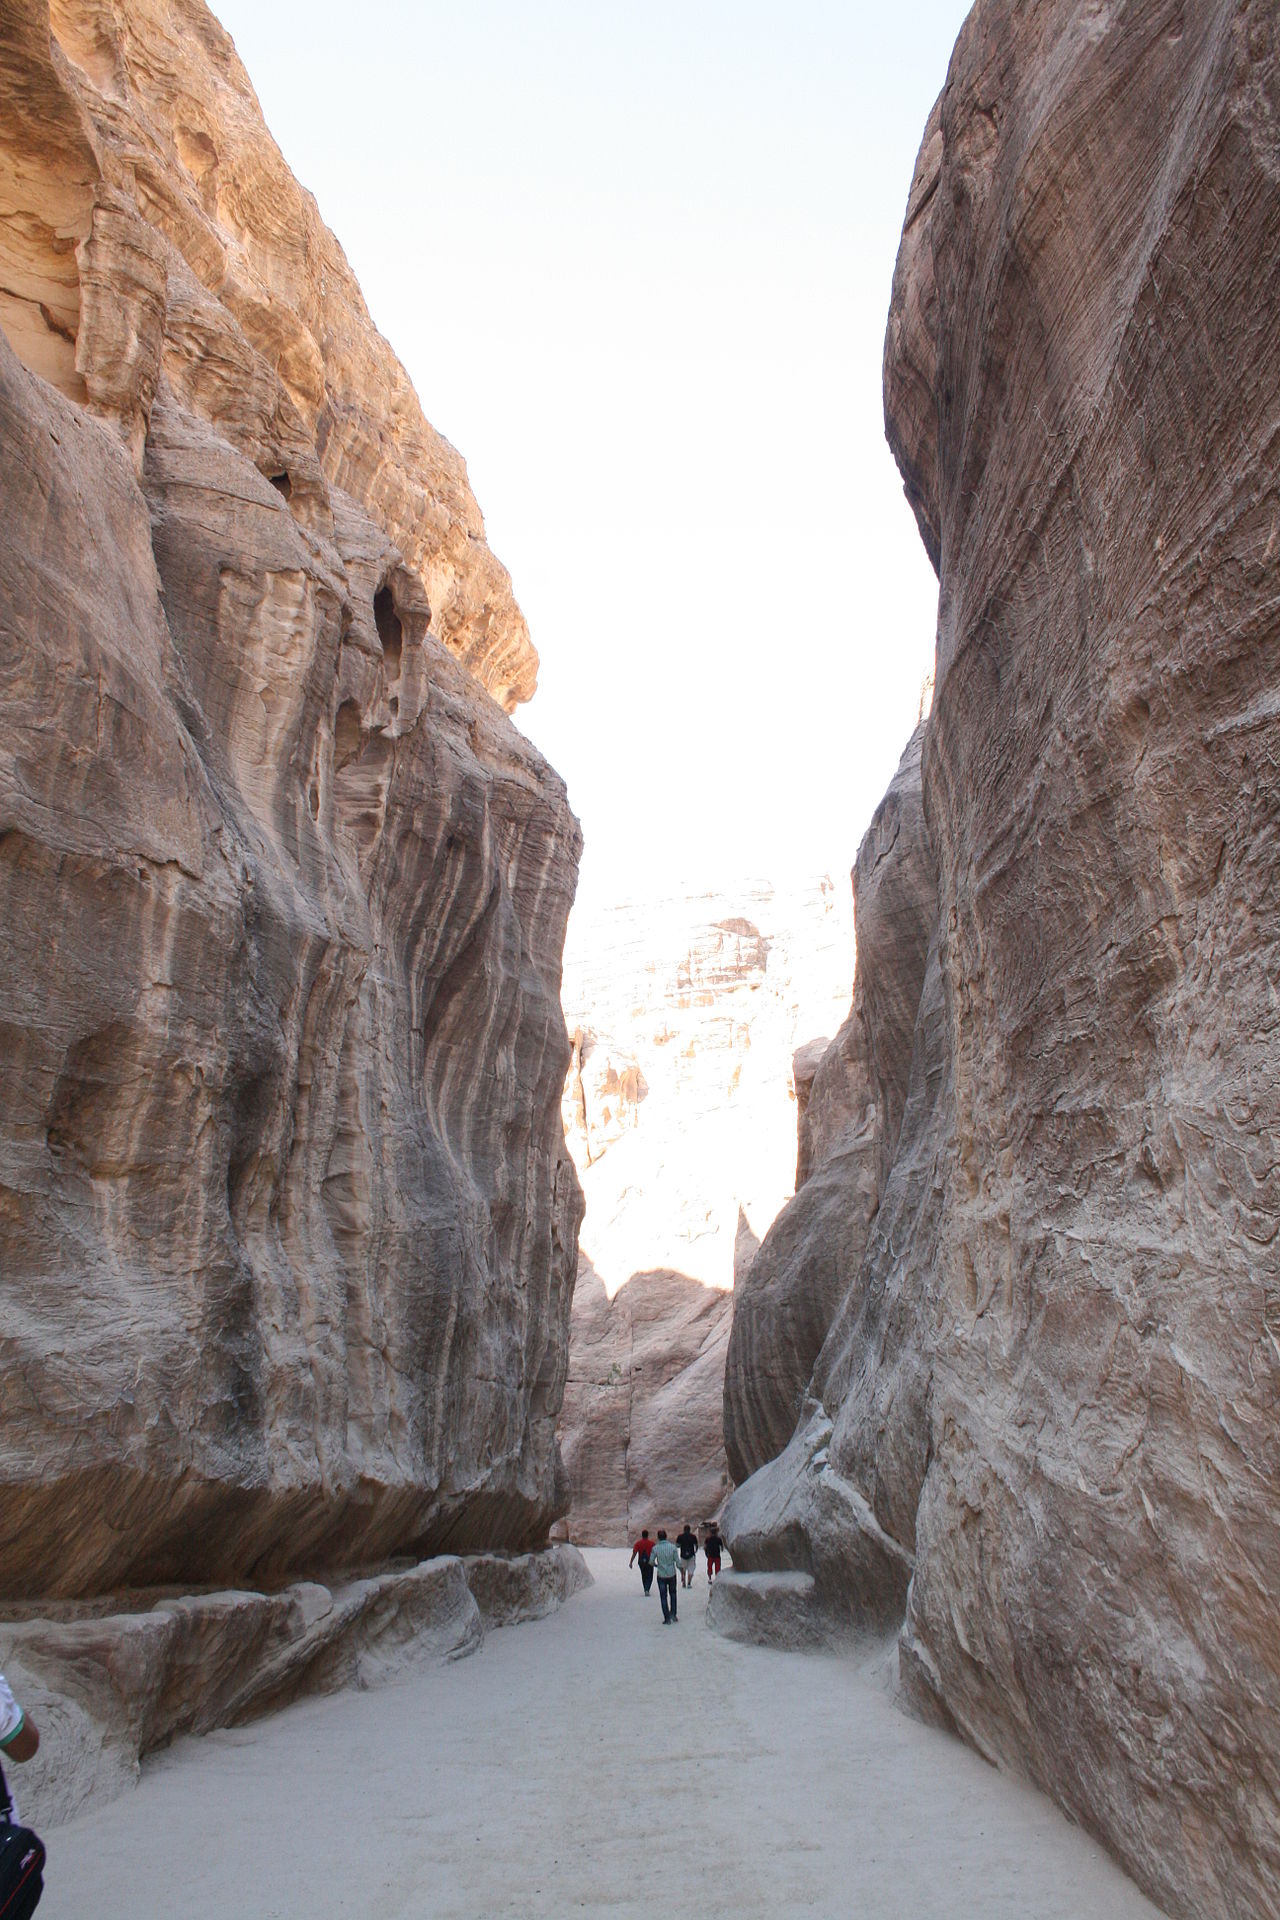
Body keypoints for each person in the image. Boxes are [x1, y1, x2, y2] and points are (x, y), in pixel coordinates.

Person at [650, 1530, 680, 1623]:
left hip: (661, 1575)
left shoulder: (655, 1548)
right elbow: (678, 1562)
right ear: (666, 1536)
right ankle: (673, 1615)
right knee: (673, 1594)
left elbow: (651, 1561)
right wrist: (682, 1570)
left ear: (658, 1537)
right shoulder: (673, 1547)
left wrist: (657, 1565)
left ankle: (667, 1618)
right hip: (672, 1574)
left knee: (663, 1596)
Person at [629, 1528, 656, 1595]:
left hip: (641, 1562)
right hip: (650, 1561)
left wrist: (631, 1562)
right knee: (650, 1576)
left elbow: (634, 1553)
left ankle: (645, 1588)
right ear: (647, 1535)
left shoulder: (638, 1543)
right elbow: (655, 1553)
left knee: (644, 1575)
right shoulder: (652, 1543)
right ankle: (647, 1588)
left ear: (642, 1535)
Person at [675, 1522, 698, 1589]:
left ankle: (684, 1581)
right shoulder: (693, 1536)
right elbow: (696, 1545)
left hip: (683, 1555)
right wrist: (695, 1551)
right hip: (691, 1555)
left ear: (684, 1530)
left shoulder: (680, 1536)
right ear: (689, 1529)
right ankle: (689, 1583)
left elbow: (677, 1545)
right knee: (691, 1569)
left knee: (683, 1568)